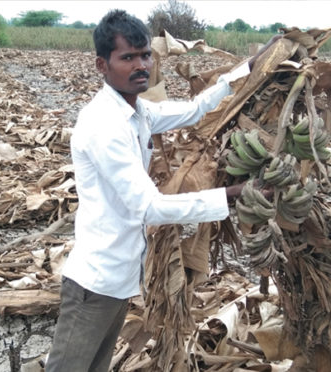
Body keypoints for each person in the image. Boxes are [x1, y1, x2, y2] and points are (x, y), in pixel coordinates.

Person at [45, 9, 279, 372]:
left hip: (120, 279)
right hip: (95, 283)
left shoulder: (137, 112)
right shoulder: (104, 125)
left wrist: (251, 66)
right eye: (127, 58)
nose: (141, 65)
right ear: (101, 66)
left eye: (145, 55)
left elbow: (197, 109)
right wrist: (231, 196)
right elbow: (150, 208)